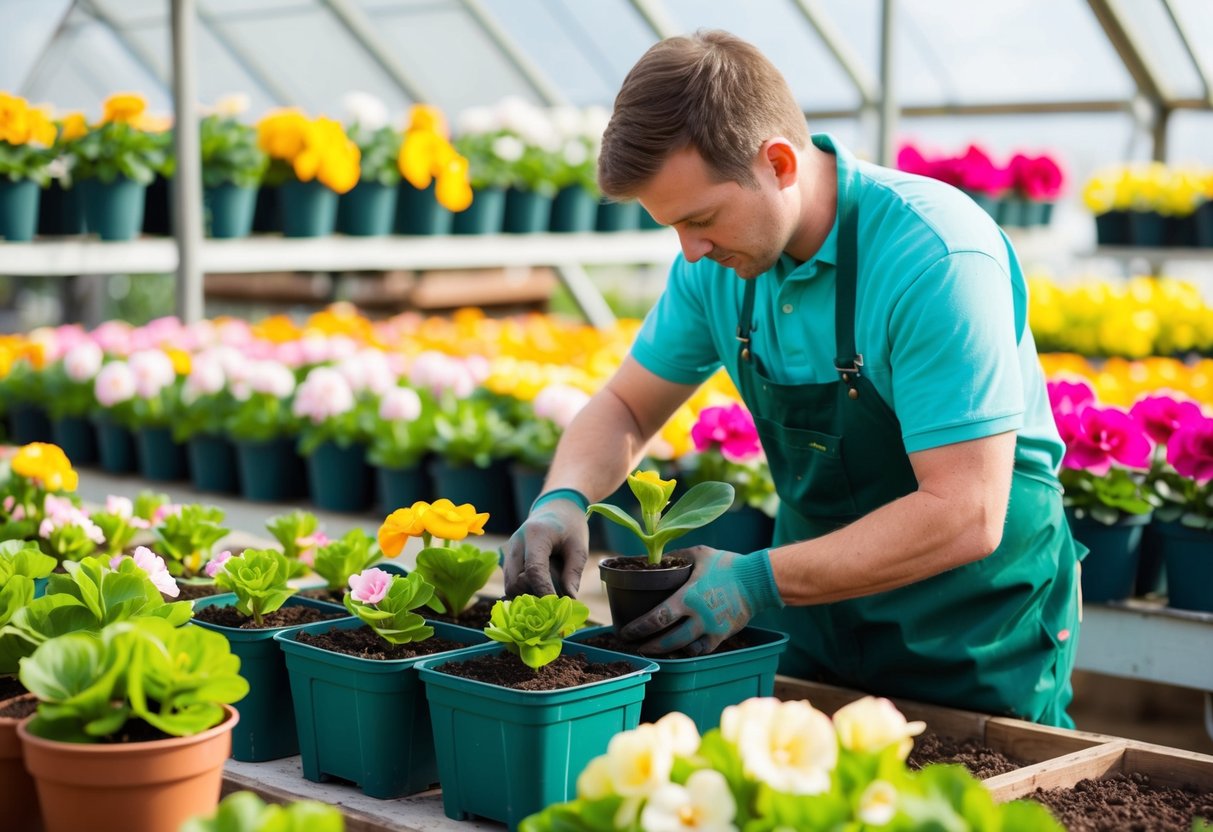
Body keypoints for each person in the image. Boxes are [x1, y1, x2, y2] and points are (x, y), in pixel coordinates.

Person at [503, 29, 1083, 727]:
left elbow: (965, 511)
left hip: (971, 635)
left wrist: (755, 577)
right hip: (814, 616)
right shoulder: (715, 267)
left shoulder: (934, 258)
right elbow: (627, 403)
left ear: (777, 163)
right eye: (672, 227)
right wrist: (561, 500)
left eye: (701, 218)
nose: (689, 250)